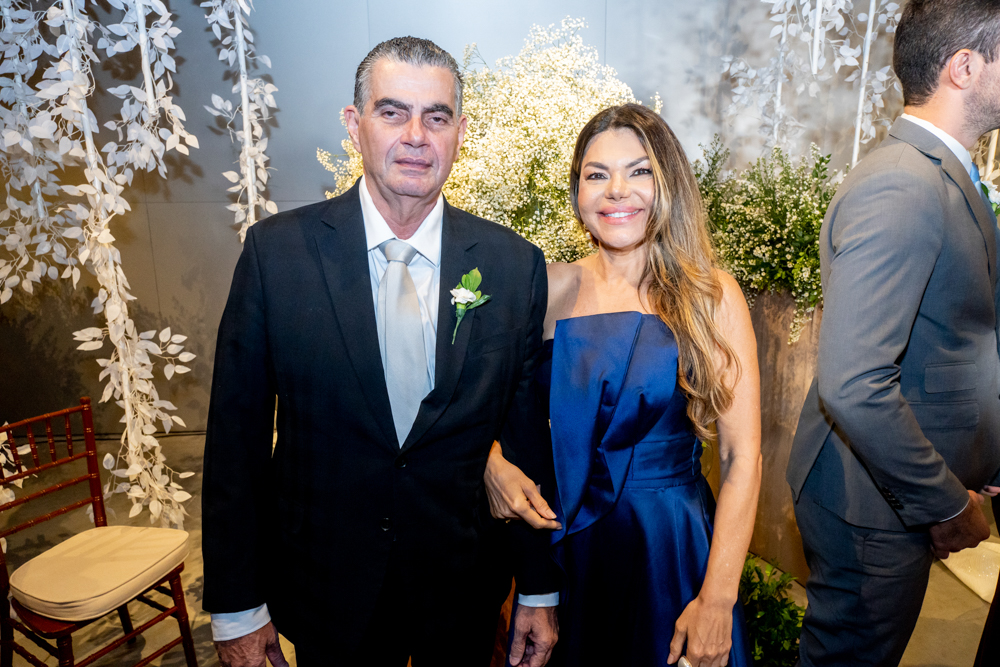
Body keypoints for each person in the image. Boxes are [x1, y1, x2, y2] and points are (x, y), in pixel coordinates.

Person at [201, 37, 559, 667]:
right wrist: (237, 610)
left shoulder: (513, 265)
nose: (416, 136)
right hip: (327, 591)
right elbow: (237, 441)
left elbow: (526, 437)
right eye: (392, 112)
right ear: (354, 124)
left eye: (437, 117)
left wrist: (537, 587)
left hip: (463, 589)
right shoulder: (276, 255)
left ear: (460, 133)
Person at [485, 104, 761, 667]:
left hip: (671, 550)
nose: (616, 190)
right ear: (577, 192)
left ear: (669, 183)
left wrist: (717, 598)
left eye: (639, 171)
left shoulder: (711, 296)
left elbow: (742, 459)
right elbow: (488, 413)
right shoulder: (548, 289)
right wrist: (491, 462)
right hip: (568, 553)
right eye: (597, 174)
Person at [785, 1, 1000, 665]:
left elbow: (948, 342)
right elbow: (855, 383)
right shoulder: (903, 184)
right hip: (871, 503)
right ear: (964, 67)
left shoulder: (941, 173)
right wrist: (944, 504)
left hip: (890, 487)